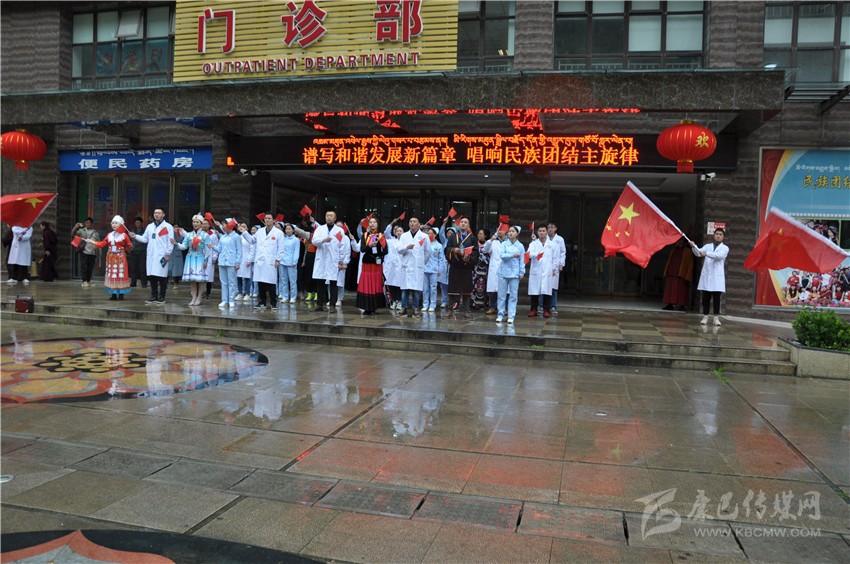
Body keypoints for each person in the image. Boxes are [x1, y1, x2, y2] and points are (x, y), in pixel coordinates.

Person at [129, 208, 173, 305]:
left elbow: (170, 242)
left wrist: (168, 253)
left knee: (162, 276)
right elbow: (145, 239)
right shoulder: (150, 226)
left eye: (159, 213)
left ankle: (162, 296)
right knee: (152, 276)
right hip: (151, 255)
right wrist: (135, 236)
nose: (157, 215)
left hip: (162, 255)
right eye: (155, 213)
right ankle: (153, 295)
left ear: (163, 214)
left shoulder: (168, 227)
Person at [86, 216, 131, 301]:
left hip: (120, 257)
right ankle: (113, 294)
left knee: (120, 274)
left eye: (116, 223)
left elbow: (129, 245)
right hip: (111, 257)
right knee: (112, 274)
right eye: (113, 223)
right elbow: (102, 244)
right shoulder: (109, 235)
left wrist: (125, 250)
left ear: (120, 224)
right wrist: (92, 241)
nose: (114, 225)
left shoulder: (124, 235)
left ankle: (121, 294)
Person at [692, 228, 729, 326]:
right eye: (717, 234)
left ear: (723, 237)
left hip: (717, 278)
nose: (718, 236)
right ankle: (705, 316)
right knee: (705, 299)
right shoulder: (708, 246)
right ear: (714, 235)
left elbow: (719, 256)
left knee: (717, 299)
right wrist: (693, 246)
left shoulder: (725, 248)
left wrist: (707, 254)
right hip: (707, 277)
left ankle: (716, 318)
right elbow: (699, 253)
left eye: (720, 234)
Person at [311, 210, 346, 313]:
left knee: (333, 282)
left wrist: (341, 260)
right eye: (327, 216)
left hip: (333, 259)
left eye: (331, 216)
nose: (328, 217)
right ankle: (319, 304)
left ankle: (332, 305)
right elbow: (314, 241)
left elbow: (342, 246)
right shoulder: (320, 229)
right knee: (320, 282)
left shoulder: (339, 231)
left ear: (335, 218)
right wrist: (323, 240)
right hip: (321, 258)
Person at [444, 216, 478, 318]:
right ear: (459, 225)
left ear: (468, 226)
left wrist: (468, 257)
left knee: (466, 289)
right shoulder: (453, 237)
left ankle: (466, 310)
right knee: (452, 290)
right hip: (455, 267)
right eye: (462, 222)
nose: (463, 223)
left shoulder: (472, 238)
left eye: (465, 222)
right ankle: (450, 310)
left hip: (466, 268)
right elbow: (447, 250)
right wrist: (454, 251)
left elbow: (476, 252)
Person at [172, 214, 209, 306]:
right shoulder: (189, 235)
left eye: (197, 222)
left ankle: (199, 297)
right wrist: (176, 244)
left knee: (200, 280)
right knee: (192, 280)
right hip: (190, 257)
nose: (195, 224)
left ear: (201, 223)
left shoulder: (205, 235)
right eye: (194, 222)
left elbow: (208, 249)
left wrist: (206, 260)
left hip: (200, 257)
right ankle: (193, 297)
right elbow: (184, 246)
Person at [397, 216, 430, 318]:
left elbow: (428, 252)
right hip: (406, 266)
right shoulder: (404, 236)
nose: (412, 223)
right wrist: (406, 247)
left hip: (417, 267)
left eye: (414, 221)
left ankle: (416, 309)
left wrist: (421, 262)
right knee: (405, 289)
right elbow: (398, 249)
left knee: (416, 290)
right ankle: (404, 308)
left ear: (419, 224)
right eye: (410, 221)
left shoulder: (424, 236)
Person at [250, 213, 284, 310]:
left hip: (271, 260)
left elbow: (281, 248)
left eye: (269, 218)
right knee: (260, 281)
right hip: (260, 260)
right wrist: (244, 233)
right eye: (266, 218)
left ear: (274, 220)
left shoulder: (278, 233)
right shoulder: (260, 231)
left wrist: (278, 259)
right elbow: (252, 241)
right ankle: (262, 302)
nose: (267, 220)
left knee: (271, 282)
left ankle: (273, 302)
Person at [357, 216, 388, 315]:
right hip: (367, 262)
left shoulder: (381, 236)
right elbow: (362, 249)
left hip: (376, 263)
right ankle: (366, 307)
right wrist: (369, 246)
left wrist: (379, 247)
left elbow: (386, 251)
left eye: (374, 222)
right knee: (367, 284)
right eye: (370, 222)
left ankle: (374, 307)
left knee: (375, 284)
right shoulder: (365, 235)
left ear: (377, 224)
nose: (372, 224)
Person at [527, 224, 558, 318]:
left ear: (546, 232)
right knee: (534, 291)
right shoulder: (533, 244)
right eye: (540, 231)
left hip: (548, 270)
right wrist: (537, 254)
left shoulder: (552, 244)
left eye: (543, 231)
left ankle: (546, 310)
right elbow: (528, 254)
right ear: (537, 232)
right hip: (536, 270)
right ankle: (533, 310)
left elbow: (555, 258)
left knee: (547, 291)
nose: (542, 233)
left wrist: (554, 269)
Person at [497, 226, 525, 324]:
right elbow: (502, 256)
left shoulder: (520, 246)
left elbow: (522, 260)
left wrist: (521, 272)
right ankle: (500, 314)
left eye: (513, 231)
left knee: (513, 295)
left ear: (517, 234)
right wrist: (512, 255)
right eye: (509, 231)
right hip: (503, 272)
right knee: (501, 295)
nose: (511, 233)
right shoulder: (504, 244)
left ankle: (511, 315)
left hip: (515, 273)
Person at [211, 219, 242, 308]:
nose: (222, 226)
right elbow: (219, 249)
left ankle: (231, 300)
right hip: (222, 261)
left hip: (232, 262)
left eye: (224, 224)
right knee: (223, 282)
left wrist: (237, 262)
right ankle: (224, 300)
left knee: (232, 282)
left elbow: (239, 251)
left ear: (229, 225)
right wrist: (213, 247)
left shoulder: (236, 237)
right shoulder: (223, 237)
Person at [662, 238, 694, 311]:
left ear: (683, 242)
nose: (677, 242)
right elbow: (669, 261)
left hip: (681, 274)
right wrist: (666, 271)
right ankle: (670, 304)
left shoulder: (687, 251)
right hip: (671, 272)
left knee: (681, 291)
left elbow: (690, 264)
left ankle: (682, 305)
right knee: (670, 290)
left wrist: (688, 276)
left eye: (679, 241)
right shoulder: (673, 250)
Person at [422, 225, 445, 313]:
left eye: (431, 233)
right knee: (425, 288)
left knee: (433, 288)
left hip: (434, 269)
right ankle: (425, 304)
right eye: (428, 233)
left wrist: (440, 269)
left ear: (435, 235)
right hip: (424, 269)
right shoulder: (424, 243)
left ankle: (432, 305)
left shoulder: (439, 246)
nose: (430, 235)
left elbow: (441, 259)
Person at [484, 228, 506, 315]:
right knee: (493, 289)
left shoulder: (508, 242)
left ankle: (505, 308)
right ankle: (492, 307)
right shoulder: (493, 242)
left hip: (505, 268)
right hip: (494, 268)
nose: (499, 231)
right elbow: (485, 250)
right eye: (498, 230)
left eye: (501, 230)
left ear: (505, 231)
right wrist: (490, 240)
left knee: (504, 290)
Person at [72, 218, 99, 288]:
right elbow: (73, 234)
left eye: (89, 222)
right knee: (84, 267)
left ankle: (88, 281)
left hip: (92, 252)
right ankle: (84, 281)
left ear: (92, 224)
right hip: (84, 251)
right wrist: (76, 227)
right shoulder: (81, 231)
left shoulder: (95, 232)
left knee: (90, 268)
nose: (88, 224)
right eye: (86, 222)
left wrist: (99, 252)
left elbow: (98, 243)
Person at [383, 222, 404, 310]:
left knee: (399, 285)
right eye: (397, 231)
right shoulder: (391, 241)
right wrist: (391, 224)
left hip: (401, 266)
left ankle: (400, 301)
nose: (399, 232)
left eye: (400, 231)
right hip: (391, 266)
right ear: (395, 233)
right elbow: (385, 234)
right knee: (391, 284)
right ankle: (394, 300)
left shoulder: (405, 241)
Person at [278, 223, 301, 304]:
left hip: (291, 263)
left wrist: (295, 261)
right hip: (282, 262)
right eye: (286, 229)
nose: (287, 230)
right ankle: (285, 296)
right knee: (283, 280)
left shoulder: (296, 240)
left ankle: (293, 297)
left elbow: (296, 251)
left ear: (293, 230)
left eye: (289, 229)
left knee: (292, 281)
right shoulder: (283, 239)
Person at [547, 223, 567, 314]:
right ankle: (541, 305)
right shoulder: (545, 238)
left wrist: (561, 264)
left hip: (555, 265)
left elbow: (563, 252)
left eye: (552, 227)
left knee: (553, 288)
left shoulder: (560, 239)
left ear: (556, 228)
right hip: (546, 265)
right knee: (544, 286)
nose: (550, 229)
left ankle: (553, 306)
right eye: (548, 227)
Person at [472, 228, 491, 311]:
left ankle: (483, 304)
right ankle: (474, 303)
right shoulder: (475, 243)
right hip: (475, 268)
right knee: (474, 285)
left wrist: (485, 258)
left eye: (481, 234)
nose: (479, 235)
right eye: (478, 233)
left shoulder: (489, 244)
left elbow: (491, 255)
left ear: (485, 235)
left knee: (483, 286)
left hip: (484, 269)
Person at [236, 223, 255, 301]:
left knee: (247, 277)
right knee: (239, 276)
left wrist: (249, 259)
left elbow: (252, 250)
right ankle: (240, 293)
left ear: (247, 228)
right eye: (241, 226)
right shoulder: (238, 237)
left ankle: (247, 293)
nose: (242, 228)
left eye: (244, 227)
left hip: (246, 259)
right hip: (239, 259)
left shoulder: (250, 237)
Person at [128, 216, 148, 289]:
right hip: (133, 252)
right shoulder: (132, 231)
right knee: (133, 268)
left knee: (142, 268)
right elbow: (129, 241)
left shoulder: (144, 231)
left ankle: (144, 283)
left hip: (142, 252)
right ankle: (133, 282)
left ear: (141, 223)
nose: (137, 224)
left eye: (138, 222)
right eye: (136, 223)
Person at [202, 218, 218, 300]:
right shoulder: (199, 234)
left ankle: (208, 292)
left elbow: (215, 246)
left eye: (206, 224)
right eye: (203, 224)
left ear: (209, 225)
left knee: (209, 275)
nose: (204, 225)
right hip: (200, 256)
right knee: (200, 275)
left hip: (210, 256)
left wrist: (214, 257)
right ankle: (200, 292)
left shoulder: (213, 235)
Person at [169, 222, 185, 291]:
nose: (176, 228)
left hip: (177, 252)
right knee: (169, 268)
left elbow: (181, 241)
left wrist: (178, 233)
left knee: (177, 269)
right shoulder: (169, 232)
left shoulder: (180, 234)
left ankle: (176, 282)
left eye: (177, 226)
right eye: (174, 227)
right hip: (170, 252)